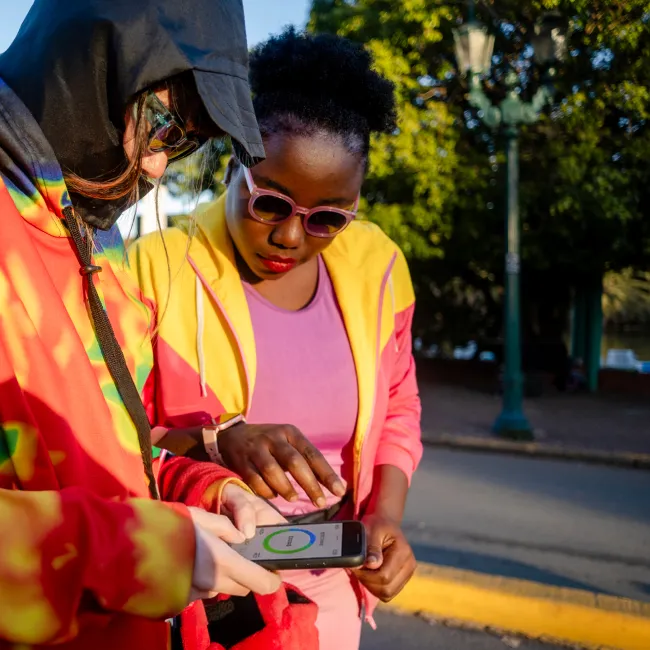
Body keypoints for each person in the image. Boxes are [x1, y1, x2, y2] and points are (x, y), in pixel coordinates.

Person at [0, 2, 321, 649]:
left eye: (182, 146)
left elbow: (115, 463)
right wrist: (134, 550)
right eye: (164, 127)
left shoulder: (95, 245)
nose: (155, 169)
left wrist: (208, 493)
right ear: (87, 70)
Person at [131, 29, 423, 650]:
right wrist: (216, 442)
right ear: (235, 158)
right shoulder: (153, 269)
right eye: (270, 202)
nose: (292, 237)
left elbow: (398, 406)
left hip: (334, 595)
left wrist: (386, 517)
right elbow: (109, 439)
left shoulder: (380, 269)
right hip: (207, 598)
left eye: (327, 218)